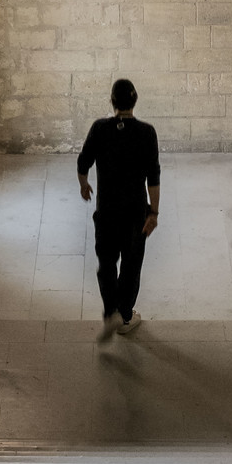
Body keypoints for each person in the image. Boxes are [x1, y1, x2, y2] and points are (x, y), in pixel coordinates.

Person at [77, 78, 160, 340]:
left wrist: (84, 185)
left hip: (107, 212)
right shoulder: (146, 133)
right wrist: (154, 213)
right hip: (135, 214)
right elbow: (153, 177)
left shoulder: (100, 129)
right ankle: (124, 316)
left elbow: (83, 162)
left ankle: (110, 311)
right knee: (131, 265)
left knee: (106, 263)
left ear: (112, 101)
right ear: (135, 101)